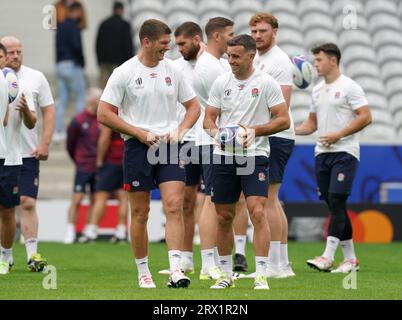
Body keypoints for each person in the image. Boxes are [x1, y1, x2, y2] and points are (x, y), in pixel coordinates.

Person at [97, 19, 200, 289]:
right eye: (164, 44)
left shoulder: (173, 71)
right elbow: (104, 113)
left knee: (174, 205)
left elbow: (193, 106)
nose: (168, 49)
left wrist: (181, 130)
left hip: (169, 146)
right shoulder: (124, 72)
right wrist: (138, 132)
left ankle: (176, 269)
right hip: (136, 147)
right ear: (146, 42)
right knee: (141, 213)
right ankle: (143, 271)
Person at [204, 34, 290, 289]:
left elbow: (283, 119)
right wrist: (217, 134)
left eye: (236, 56)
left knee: (258, 210)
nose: (230, 60)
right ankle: (225, 275)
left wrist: (253, 131)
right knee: (223, 216)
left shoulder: (266, 83)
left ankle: (261, 274)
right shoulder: (221, 82)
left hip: (254, 155)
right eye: (228, 55)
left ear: (251, 56)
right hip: (223, 157)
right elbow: (208, 119)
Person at [295, 43, 372, 273]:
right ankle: (350, 259)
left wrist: (339, 134)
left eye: (318, 60)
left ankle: (327, 256)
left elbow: (366, 116)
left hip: (345, 153)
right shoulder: (317, 90)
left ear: (333, 60)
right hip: (322, 154)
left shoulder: (350, 86)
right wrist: (289, 129)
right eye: (314, 60)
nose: (314, 64)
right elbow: (312, 124)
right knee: (334, 205)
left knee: (337, 202)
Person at [247, 12, 296, 278]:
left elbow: (283, 107)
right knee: (271, 201)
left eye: (262, 31)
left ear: (274, 31)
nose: (257, 36)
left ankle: (277, 265)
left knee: (268, 200)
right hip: (266, 134)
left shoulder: (278, 61)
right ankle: (281, 264)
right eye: (254, 32)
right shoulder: (258, 59)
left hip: (275, 134)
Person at [1, 36, 55, 272]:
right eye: (10, 52)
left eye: (18, 51)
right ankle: (7, 255)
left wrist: (45, 143)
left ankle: (32, 255)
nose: (15, 56)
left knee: (27, 201)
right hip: (4, 153)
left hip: (27, 151)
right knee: (5, 207)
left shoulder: (35, 77)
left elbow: (48, 111)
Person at [193, 17, 234, 280]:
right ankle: (208, 263)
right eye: (231, 34)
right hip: (212, 141)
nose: (234, 38)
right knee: (212, 200)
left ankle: (213, 261)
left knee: (218, 201)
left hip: (214, 139)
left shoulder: (214, 62)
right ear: (217, 36)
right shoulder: (211, 67)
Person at [0, 62, 37, 275]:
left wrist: (23, 110)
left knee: (7, 209)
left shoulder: (19, 86)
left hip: (9, 157)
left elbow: (32, 123)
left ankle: (6, 256)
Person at [77, 125, 128, 244]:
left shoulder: (111, 110)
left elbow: (104, 138)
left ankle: (92, 232)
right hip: (126, 158)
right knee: (123, 196)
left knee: (101, 196)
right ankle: (121, 232)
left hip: (111, 160)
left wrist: (99, 160)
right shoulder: (127, 111)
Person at [64, 88, 102, 244]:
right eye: (99, 98)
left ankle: (88, 231)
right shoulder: (78, 120)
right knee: (77, 198)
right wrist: (78, 159)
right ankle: (70, 230)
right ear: (92, 100)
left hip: (98, 166)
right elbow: (70, 144)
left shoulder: (102, 120)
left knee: (95, 199)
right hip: (83, 165)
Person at [54, 2, 86, 142]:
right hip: (72, 64)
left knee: (62, 100)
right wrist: (82, 61)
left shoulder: (60, 25)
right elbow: (76, 46)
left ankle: (58, 132)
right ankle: (79, 131)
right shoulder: (74, 26)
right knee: (80, 97)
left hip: (60, 65)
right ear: (77, 11)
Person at [96, 1, 134, 88]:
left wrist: (99, 61)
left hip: (104, 62)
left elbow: (98, 44)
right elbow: (128, 45)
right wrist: (130, 63)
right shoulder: (125, 25)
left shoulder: (103, 24)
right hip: (119, 63)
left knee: (104, 89)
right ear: (121, 10)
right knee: (118, 89)